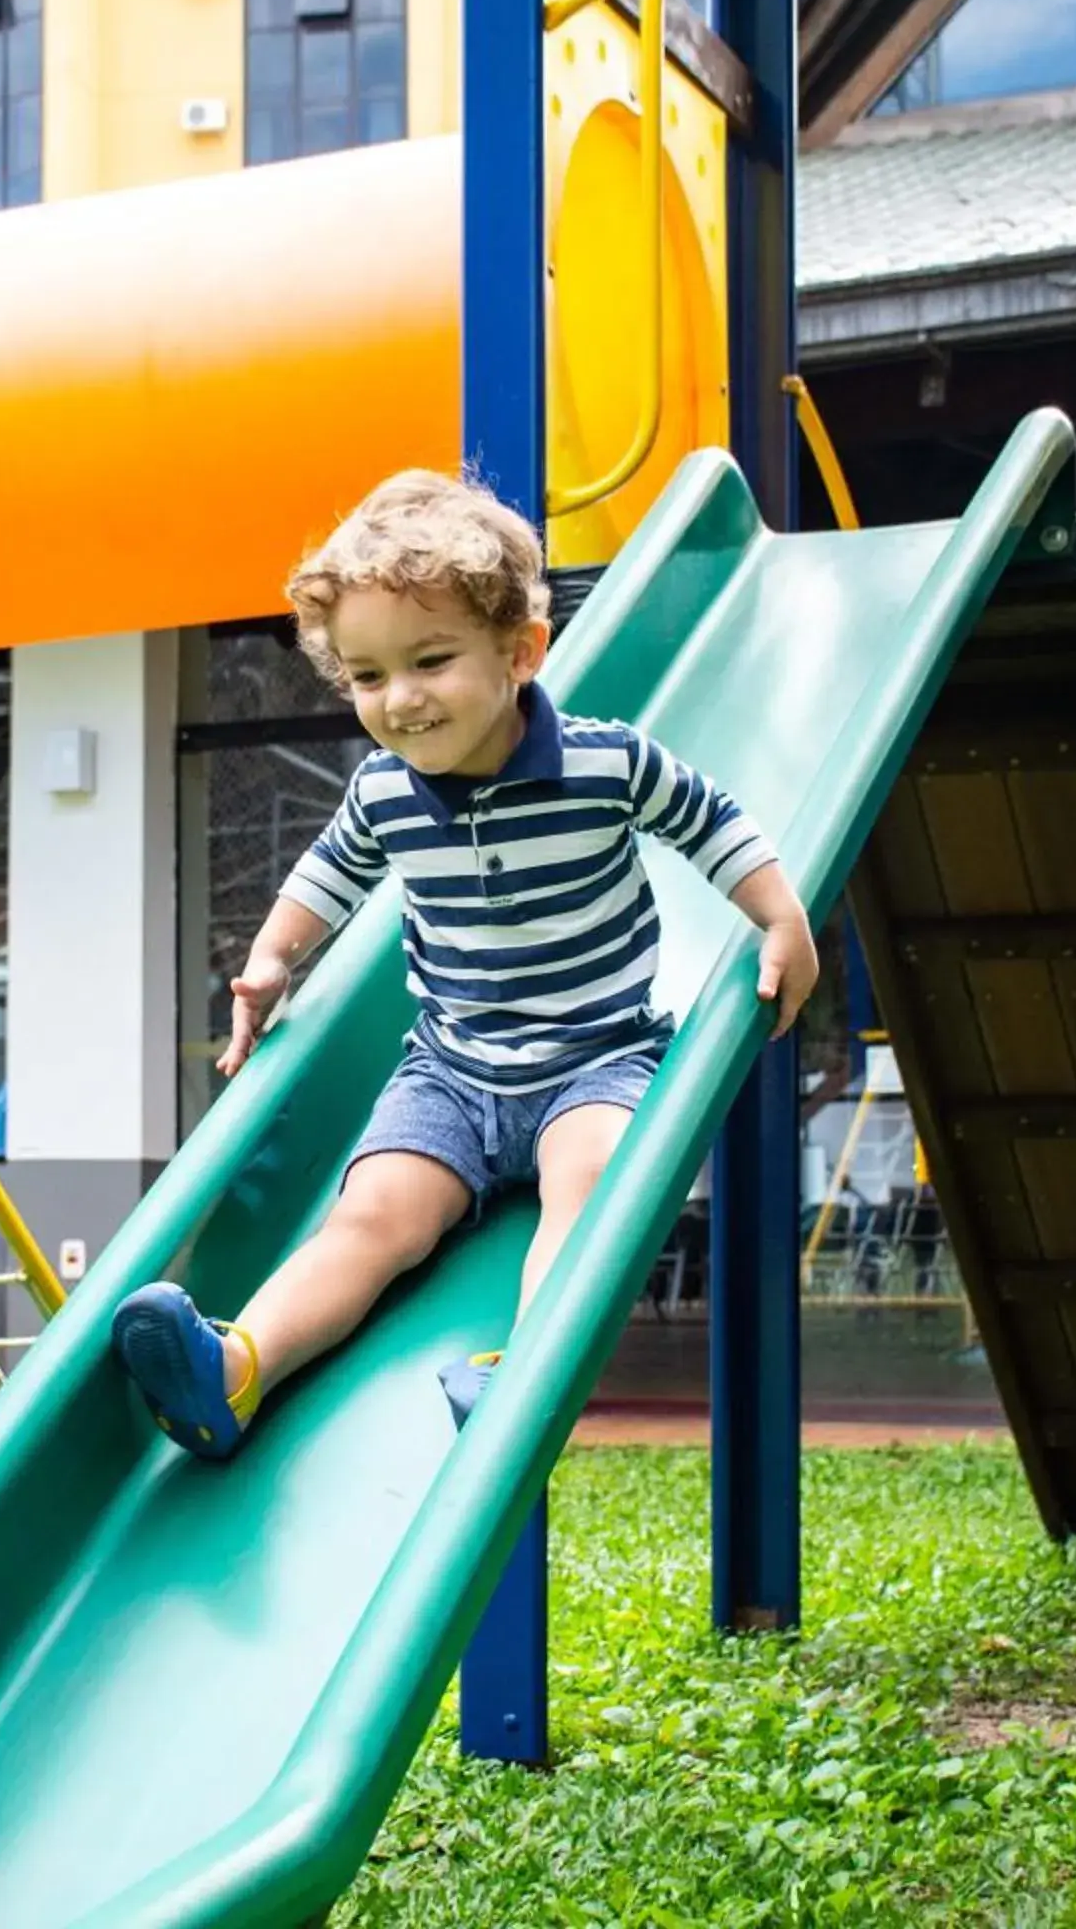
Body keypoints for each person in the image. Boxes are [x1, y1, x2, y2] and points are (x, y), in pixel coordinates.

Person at [110, 469, 818, 1458]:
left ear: (520, 650)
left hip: (597, 1056)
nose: (399, 699)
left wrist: (780, 917)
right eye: (365, 676)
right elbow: (330, 872)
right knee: (371, 1218)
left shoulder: (606, 764)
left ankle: (522, 1367)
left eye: (430, 660)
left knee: (592, 1177)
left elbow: (712, 819)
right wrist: (272, 959)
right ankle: (233, 1370)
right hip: (450, 1070)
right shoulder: (384, 792)